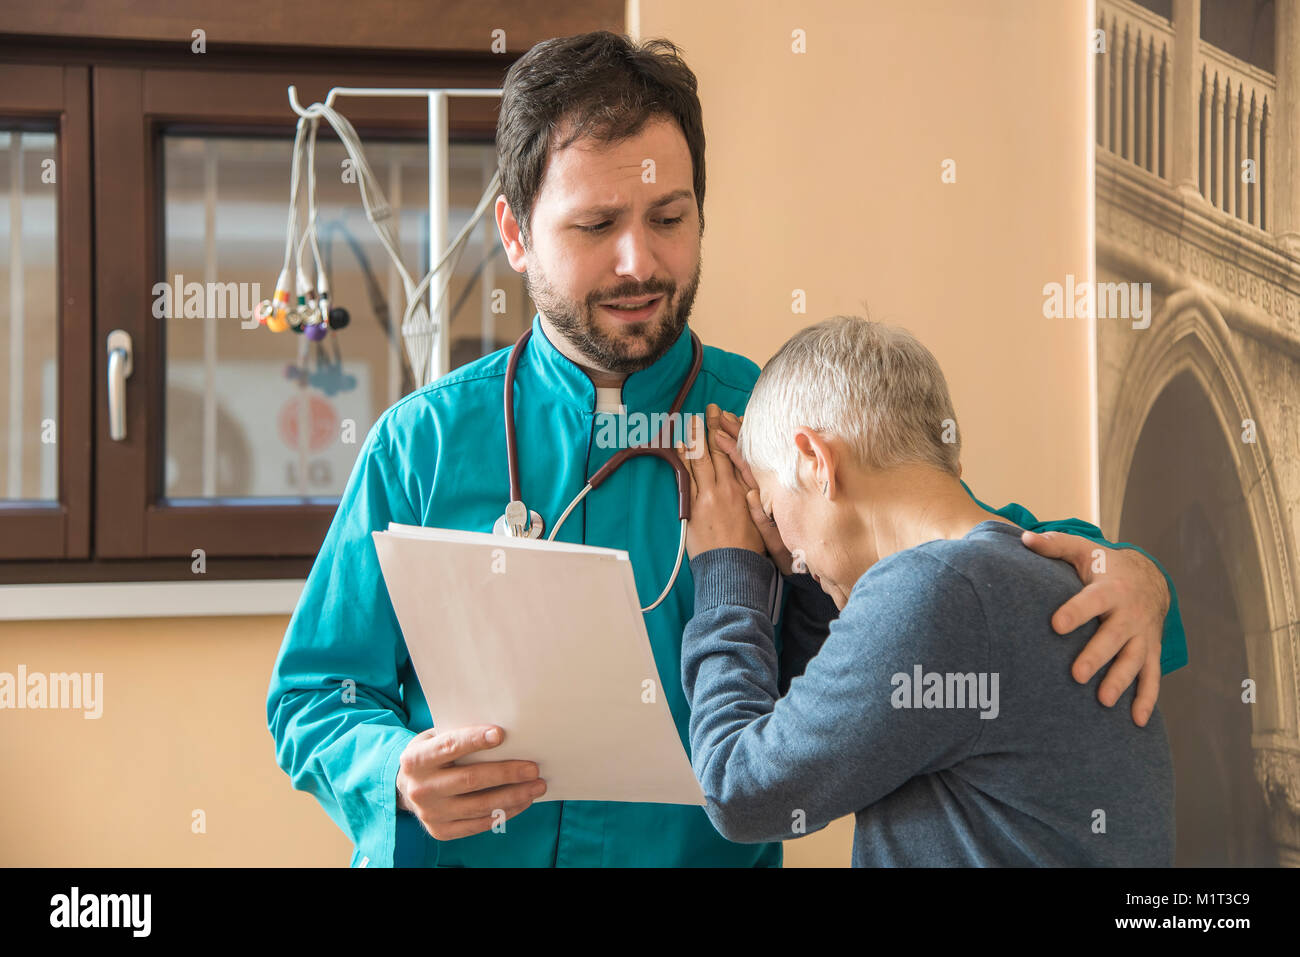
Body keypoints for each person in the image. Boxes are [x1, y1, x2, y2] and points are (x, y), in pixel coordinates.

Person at [265, 31, 1186, 868]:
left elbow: (964, 543)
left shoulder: (781, 426)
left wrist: (1131, 571)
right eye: (596, 226)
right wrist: (390, 768)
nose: (639, 262)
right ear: (513, 231)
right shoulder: (420, 444)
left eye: (669, 217)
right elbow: (312, 694)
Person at [676, 317, 1175, 865]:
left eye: (771, 508)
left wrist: (730, 572)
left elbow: (737, 791)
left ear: (816, 460)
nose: (789, 550)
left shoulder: (934, 592)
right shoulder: (1042, 579)